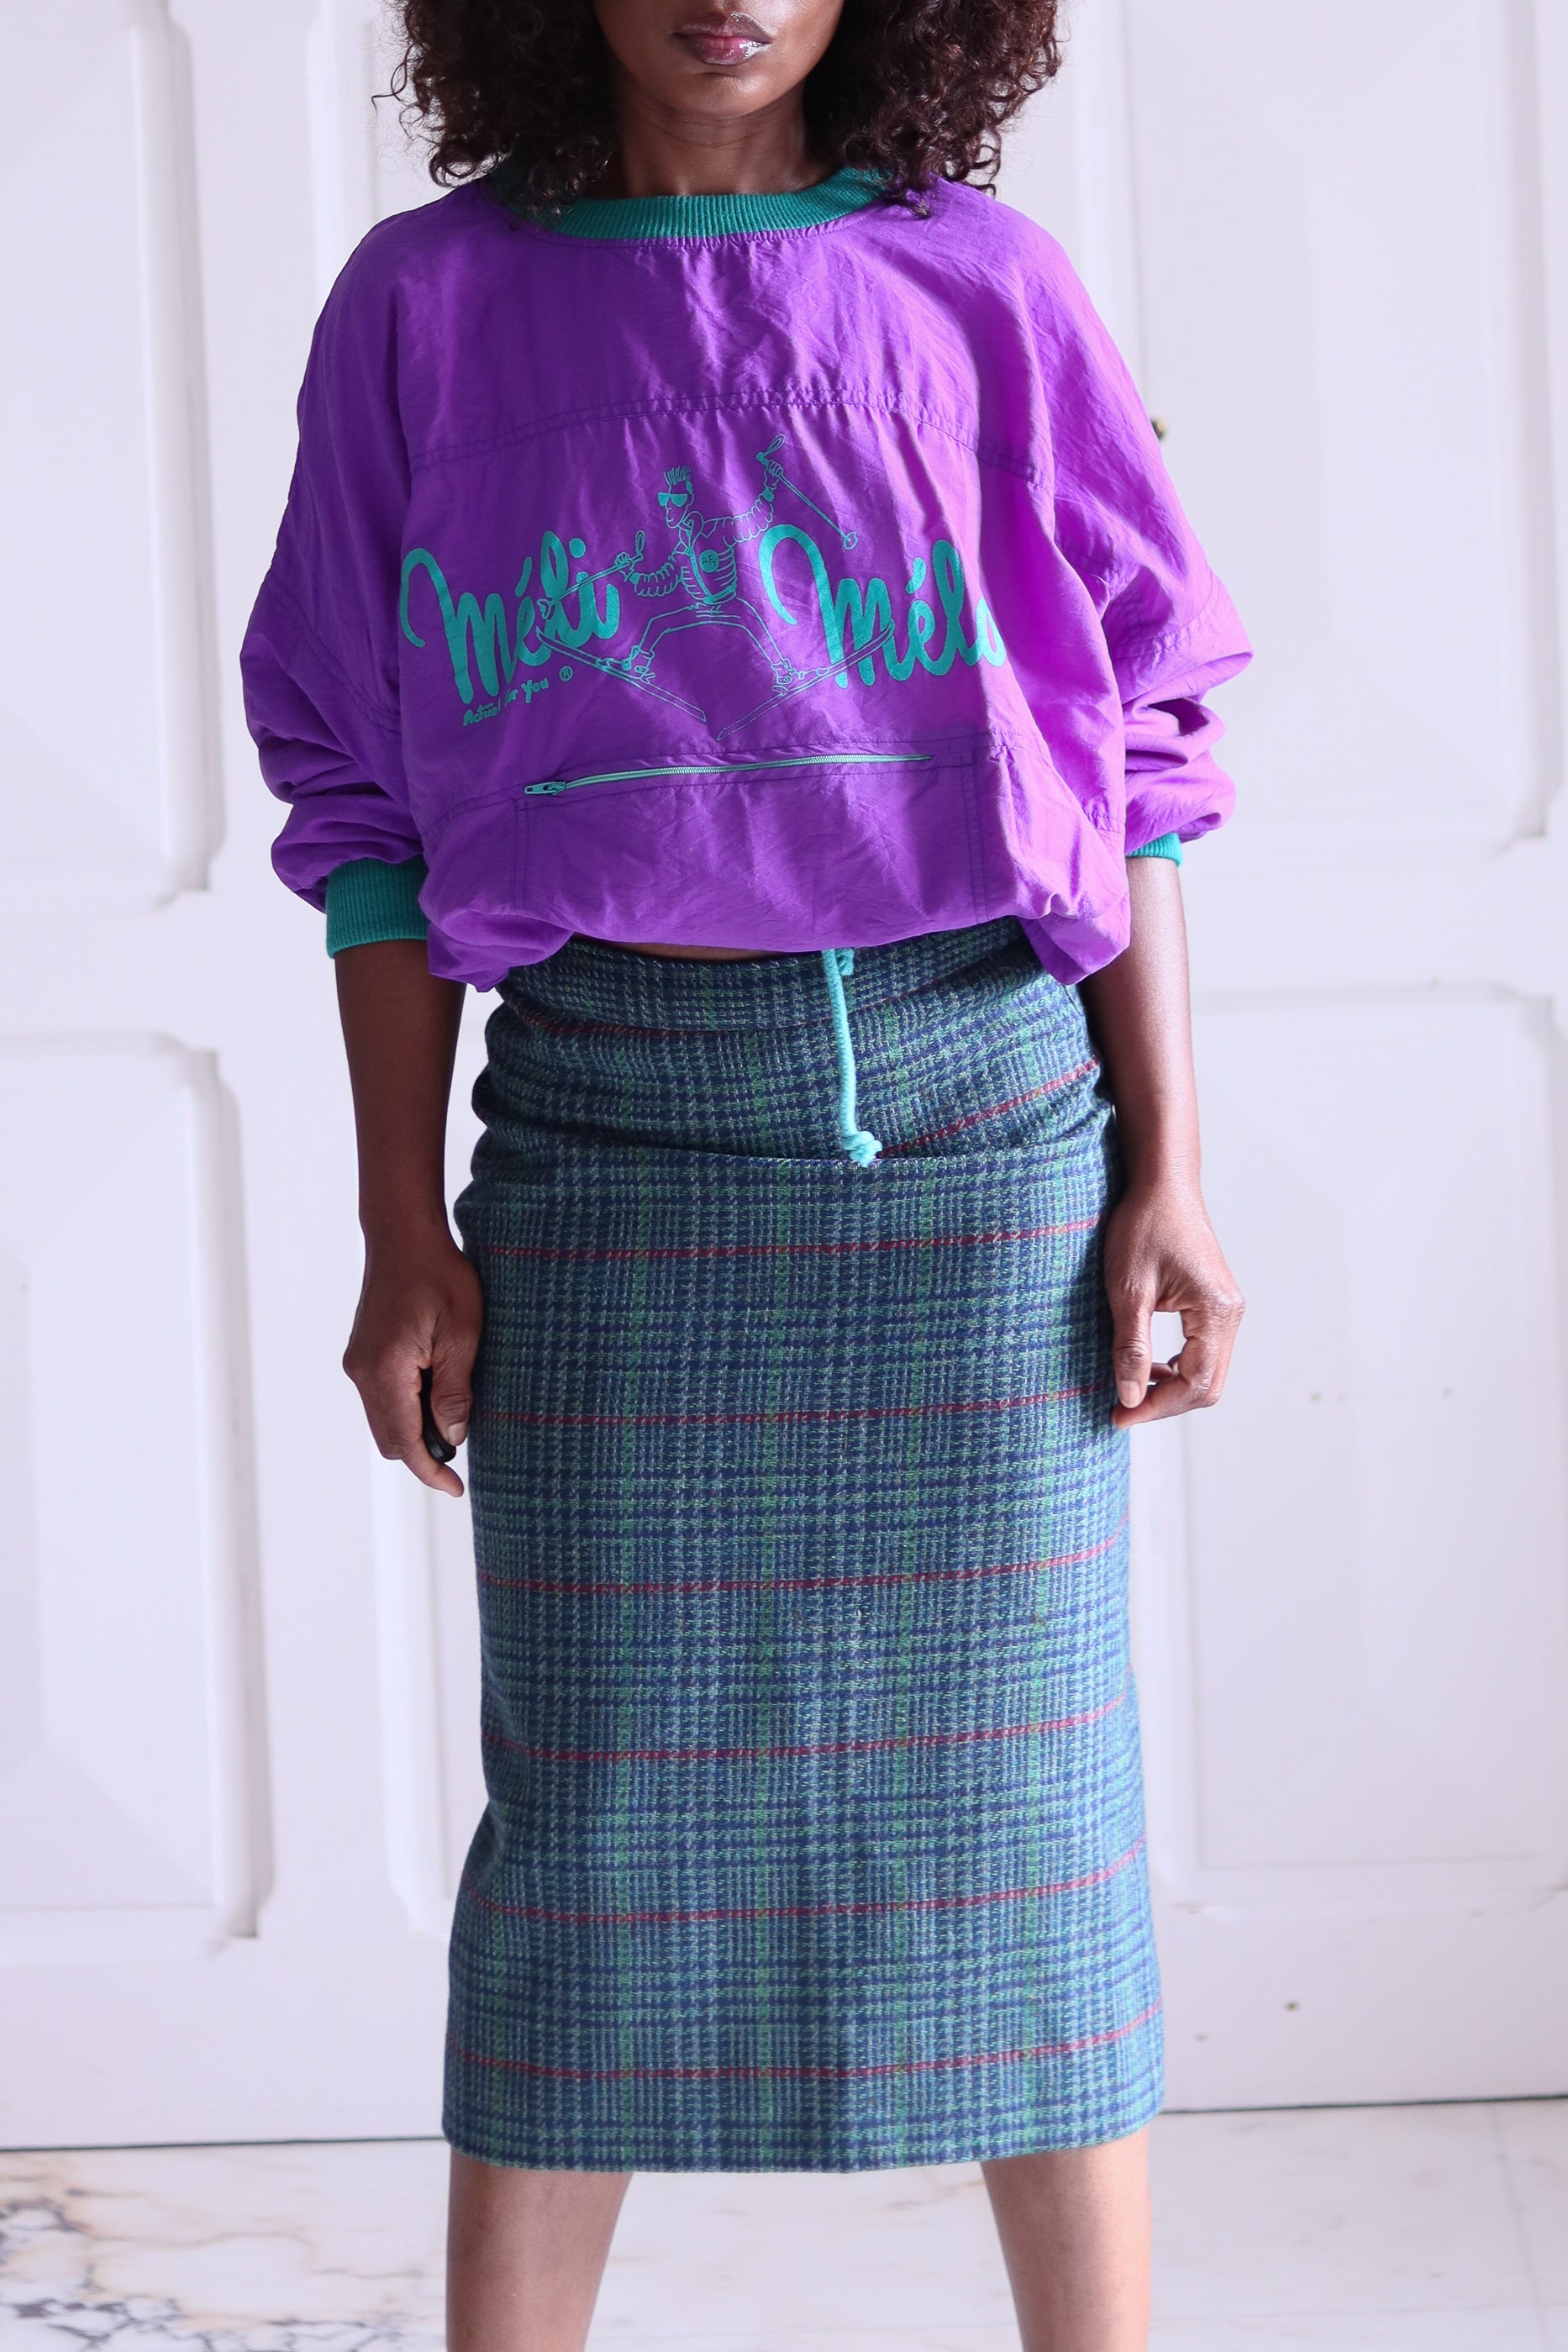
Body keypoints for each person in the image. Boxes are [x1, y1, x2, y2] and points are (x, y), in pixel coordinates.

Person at [241, 2, 1249, 2345]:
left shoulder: (983, 284)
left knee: (1025, 1816)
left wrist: (1170, 1170)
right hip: (608, 1140)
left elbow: (1136, 746)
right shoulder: (425, 304)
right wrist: (401, 1226)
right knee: (591, 1838)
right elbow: (361, 801)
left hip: (987, 1133)